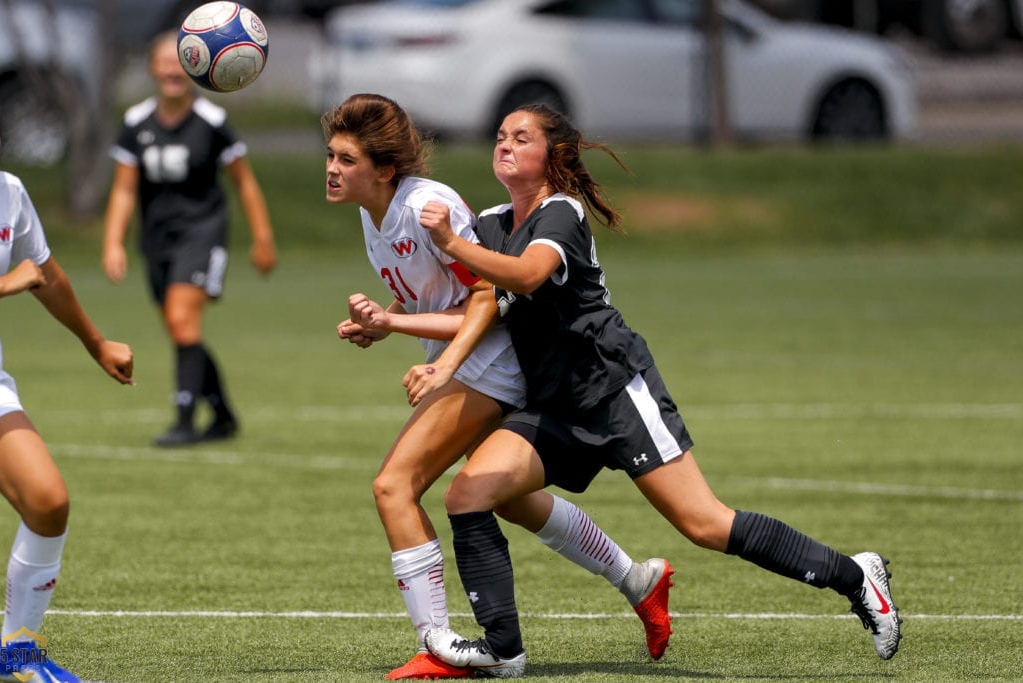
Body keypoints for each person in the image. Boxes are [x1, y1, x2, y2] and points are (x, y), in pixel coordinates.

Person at [413, 104, 903, 676]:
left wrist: (449, 240)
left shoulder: (562, 214)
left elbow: (524, 276)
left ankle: (855, 574)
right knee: (467, 494)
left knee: (705, 525)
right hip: (552, 406)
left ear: (555, 156)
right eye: (500, 136)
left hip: (614, 392)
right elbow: (484, 309)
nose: (505, 145)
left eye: (522, 138)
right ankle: (503, 651)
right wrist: (393, 324)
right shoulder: (495, 223)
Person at [324, 93, 674, 680]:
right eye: (330, 156)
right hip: (469, 363)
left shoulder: (426, 205)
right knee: (508, 499)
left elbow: (487, 299)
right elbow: (430, 293)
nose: (332, 169)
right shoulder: (373, 214)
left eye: (345, 159)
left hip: (489, 366)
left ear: (384, 169)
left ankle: (437, 645)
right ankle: (636, 578)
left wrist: (418, 344)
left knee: (393, 487)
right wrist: (381, 322)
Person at [0, 130, 135, 682]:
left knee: (48, 501)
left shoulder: (8, 191)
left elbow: (45, 275)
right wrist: (8, 282)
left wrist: (95, 342)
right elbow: (23, 277)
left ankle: (18, 649)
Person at [102, 30, 276, 447]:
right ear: (152, 68)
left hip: (203, 234)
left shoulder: (212, 122)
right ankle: (222, 414)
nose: (170, 68)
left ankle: (184, 420)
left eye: (180, 60)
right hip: (157, 241)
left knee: (182, 320)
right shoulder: (136, 121)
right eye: (162, 61)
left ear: (197, 65)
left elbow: (245, 184)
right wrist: (113, 242)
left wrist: (262, 237)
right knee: (183, 330)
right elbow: (124, 189)